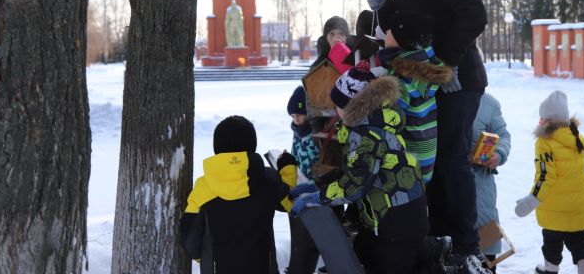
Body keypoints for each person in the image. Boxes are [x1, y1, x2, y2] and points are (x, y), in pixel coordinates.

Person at [367, 0, 489, 273]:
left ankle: (466, 245)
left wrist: (447, 62)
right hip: (428, 80)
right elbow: (412, 29)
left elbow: (475, 14)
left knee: (451, 159)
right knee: (430, 161)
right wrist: (386, 8)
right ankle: (439, 237)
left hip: (458, 81)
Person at [289, 61, 430, 274]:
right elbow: (358, 169)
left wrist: (321, 197)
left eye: (337, 104)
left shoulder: (367, 133)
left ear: (351, 107)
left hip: (395, 221)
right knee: (364, 251)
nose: (335, 110)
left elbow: (355, 184)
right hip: (400, 213)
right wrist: (319, 186)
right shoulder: (377, 120)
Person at [180, 115, 296, 274]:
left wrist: (206, 256)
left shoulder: (203, 188)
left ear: (217, 148)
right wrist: (287, 168)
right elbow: (290, 203)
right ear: (252, 146)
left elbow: (190, 244)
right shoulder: (268, 179)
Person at [514, 90, 584, 274]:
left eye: (543, 118)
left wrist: (532, 199)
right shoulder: (578, 138)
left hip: (554, 207)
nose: (540, 121)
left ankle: (550, 270)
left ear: (550, 120)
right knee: (580, 242)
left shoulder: (545, 142)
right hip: (578, 205)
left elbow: (545, 176)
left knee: (551, 242)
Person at [377, 9, 452, 183]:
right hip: (423, 159)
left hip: (404, 165)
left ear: (401, 39)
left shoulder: (401, 79)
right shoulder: (425, 68)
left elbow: (388, 121)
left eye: (389, 31)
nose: (385, 34)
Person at [471, 92, 511, 271]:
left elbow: (503, 135)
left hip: (481, 185)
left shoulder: (489, 103)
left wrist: (498, 154)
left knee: (486, 254)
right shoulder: (441, 95)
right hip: (448, 182)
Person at [285, 86, 321, 274]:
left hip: (315, 185)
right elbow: (295, 155)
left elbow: (316, 159)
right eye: (292, 116)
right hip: (300, 183)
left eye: (299, 115)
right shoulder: (297, 132)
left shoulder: (314, 132)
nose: (296, 119)